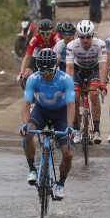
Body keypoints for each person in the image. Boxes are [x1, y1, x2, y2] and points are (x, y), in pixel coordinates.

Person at [20, 48, 75, 199]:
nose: (46, 75)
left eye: (49, 71)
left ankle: (61, 185)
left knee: (68, 154)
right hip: (41, 111)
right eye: (42, 72)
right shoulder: (33, 79)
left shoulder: (66, 79)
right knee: (27, 133)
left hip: (61, 114)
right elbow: (26, 104)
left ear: (56, 67)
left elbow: (71, 106)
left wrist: (70, 127)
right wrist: (25, 124)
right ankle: (32, 169)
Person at [66, 20, 109, 144]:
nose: (85, 40)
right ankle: (74, 129)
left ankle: (96, 130)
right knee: (74, 97)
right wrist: (68, 85)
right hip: (78, 70)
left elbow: (102, 66)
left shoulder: (100, 44)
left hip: (94, 70)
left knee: (94, 95)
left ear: (93, 35)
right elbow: (69, 68)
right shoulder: (72, 45)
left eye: (88, 37)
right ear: (78, 36)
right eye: (82, 37)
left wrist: (102, 85)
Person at [18, 18, 60, 84]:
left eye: (48, 33)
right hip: (36, 58)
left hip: (51, 59)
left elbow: (61, 54)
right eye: (42, 33)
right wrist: (22, 73)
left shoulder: (56, 37)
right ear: (39, 32)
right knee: (25, 77)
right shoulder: (35, 38)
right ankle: (28, 93)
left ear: (52, 32)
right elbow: (27, 57)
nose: (45, 36)